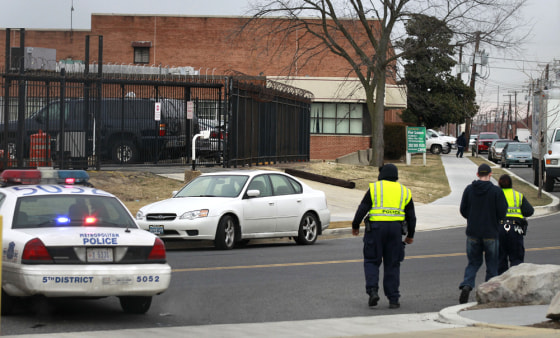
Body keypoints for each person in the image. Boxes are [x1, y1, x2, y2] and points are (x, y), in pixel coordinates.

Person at [351, 164, 416, 309]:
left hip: (375, 229)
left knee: (371, 260)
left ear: (381, 174)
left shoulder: (375, 188)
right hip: (395, 230)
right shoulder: (404, 191)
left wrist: (355, 225)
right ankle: (393, 299)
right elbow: (411, 217)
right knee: (392, 263)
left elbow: (363, 208)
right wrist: (410, 235)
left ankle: (373, 291)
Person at [458, 163, 507, 304]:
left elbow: (463, 210)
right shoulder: (496, 192)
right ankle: (488, 292)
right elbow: (502, 212)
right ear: (490, 174)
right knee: (492, 264)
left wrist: (472, 218)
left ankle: (467, 285)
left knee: (473, 262)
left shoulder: (469, 190)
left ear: (478, 174)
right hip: (491, 232)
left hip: (473, 232)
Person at [498, 174, 534, 274]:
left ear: (499, 184)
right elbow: (529, 211)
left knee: (500, 260)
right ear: (511, 184)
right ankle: (515, 283)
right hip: (515, 229)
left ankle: (501, 284)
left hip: (499, 229)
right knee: (517, 260)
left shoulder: (495, 195)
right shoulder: (517, 195)